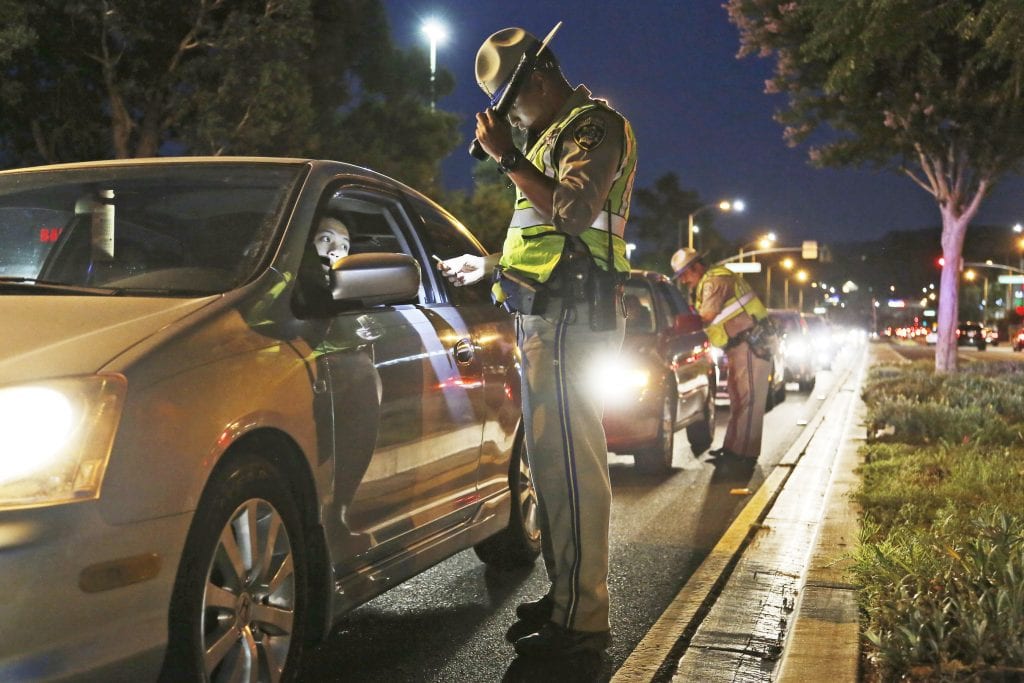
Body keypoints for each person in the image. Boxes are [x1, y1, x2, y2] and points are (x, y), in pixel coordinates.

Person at [438, 25, 637, 659]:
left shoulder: (594, 126)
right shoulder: (548, 136)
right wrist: (491, 267)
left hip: (570, 318)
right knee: (551, 471)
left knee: (573, 472)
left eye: (510, 103)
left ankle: (583, 620)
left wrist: (508, 159)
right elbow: (543, 241)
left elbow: (574, 215)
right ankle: (564, 601)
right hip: (540, 317)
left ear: (538, 80)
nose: (509, 119)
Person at [671, 247, 769, 464]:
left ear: (696, 267)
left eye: (685, 274)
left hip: (750, 343)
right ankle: (733, 448)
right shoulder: (708, 281)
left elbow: (705, 316)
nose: (684, 280)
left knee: (747, 400)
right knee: (738, 398)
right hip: (739, 345)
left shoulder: (715, 281)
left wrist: (678, 325)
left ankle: (744, 455)